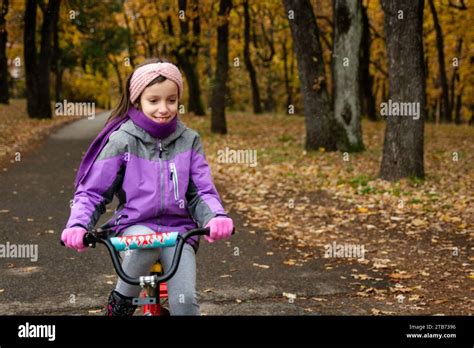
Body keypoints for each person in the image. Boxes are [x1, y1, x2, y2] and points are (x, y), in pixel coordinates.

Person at [61, 58, 234, 316]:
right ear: (137, 100)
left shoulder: (189, 140)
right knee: (147, 243)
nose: (164, 108)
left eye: (171, 100)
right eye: (153, 101)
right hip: (135, 227)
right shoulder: (122, 140)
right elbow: (92, 192)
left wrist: (216, 216)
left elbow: (201, 193)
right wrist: (78, 224)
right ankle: (120, 304)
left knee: (185, 304)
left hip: (179, 233)